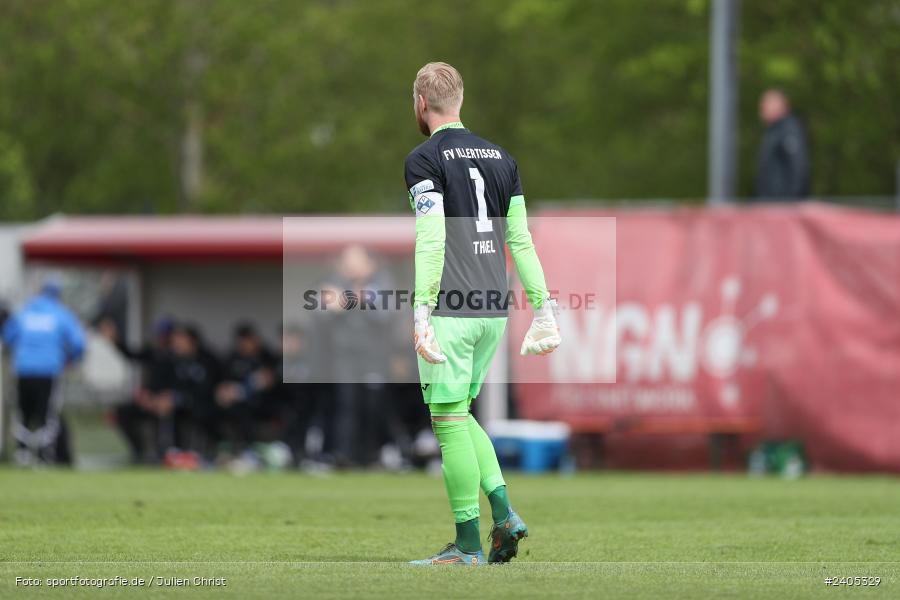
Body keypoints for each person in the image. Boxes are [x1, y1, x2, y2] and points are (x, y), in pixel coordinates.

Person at [404, 62, 561, 566]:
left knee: (447, 422)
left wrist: (421, 308)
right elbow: (520, 239)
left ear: (420, 104)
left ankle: (468, 544)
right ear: (460, 101)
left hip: (450, 303)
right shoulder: (502, 159)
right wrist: (543, 307)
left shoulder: (423, 159)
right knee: (460, 415)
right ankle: (505, 515)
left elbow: (432, 238)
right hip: (494, 306)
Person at [1, 278, 85, 465]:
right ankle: (43, 455)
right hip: (48, 371)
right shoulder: (61, 314)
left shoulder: (25, 312)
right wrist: (69, 359)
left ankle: (21, 454)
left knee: (24, 412)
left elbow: (7, 336)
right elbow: (78, 343)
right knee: (46, 414)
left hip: (23, 371)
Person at [754, 89, 810, 201]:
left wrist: (790, 204)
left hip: (782, 208)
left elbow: (798, 168)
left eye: (767, 102)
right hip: (770, 207)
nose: (762, 106)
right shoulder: (774, 131)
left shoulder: (789, 129)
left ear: (780, 105)